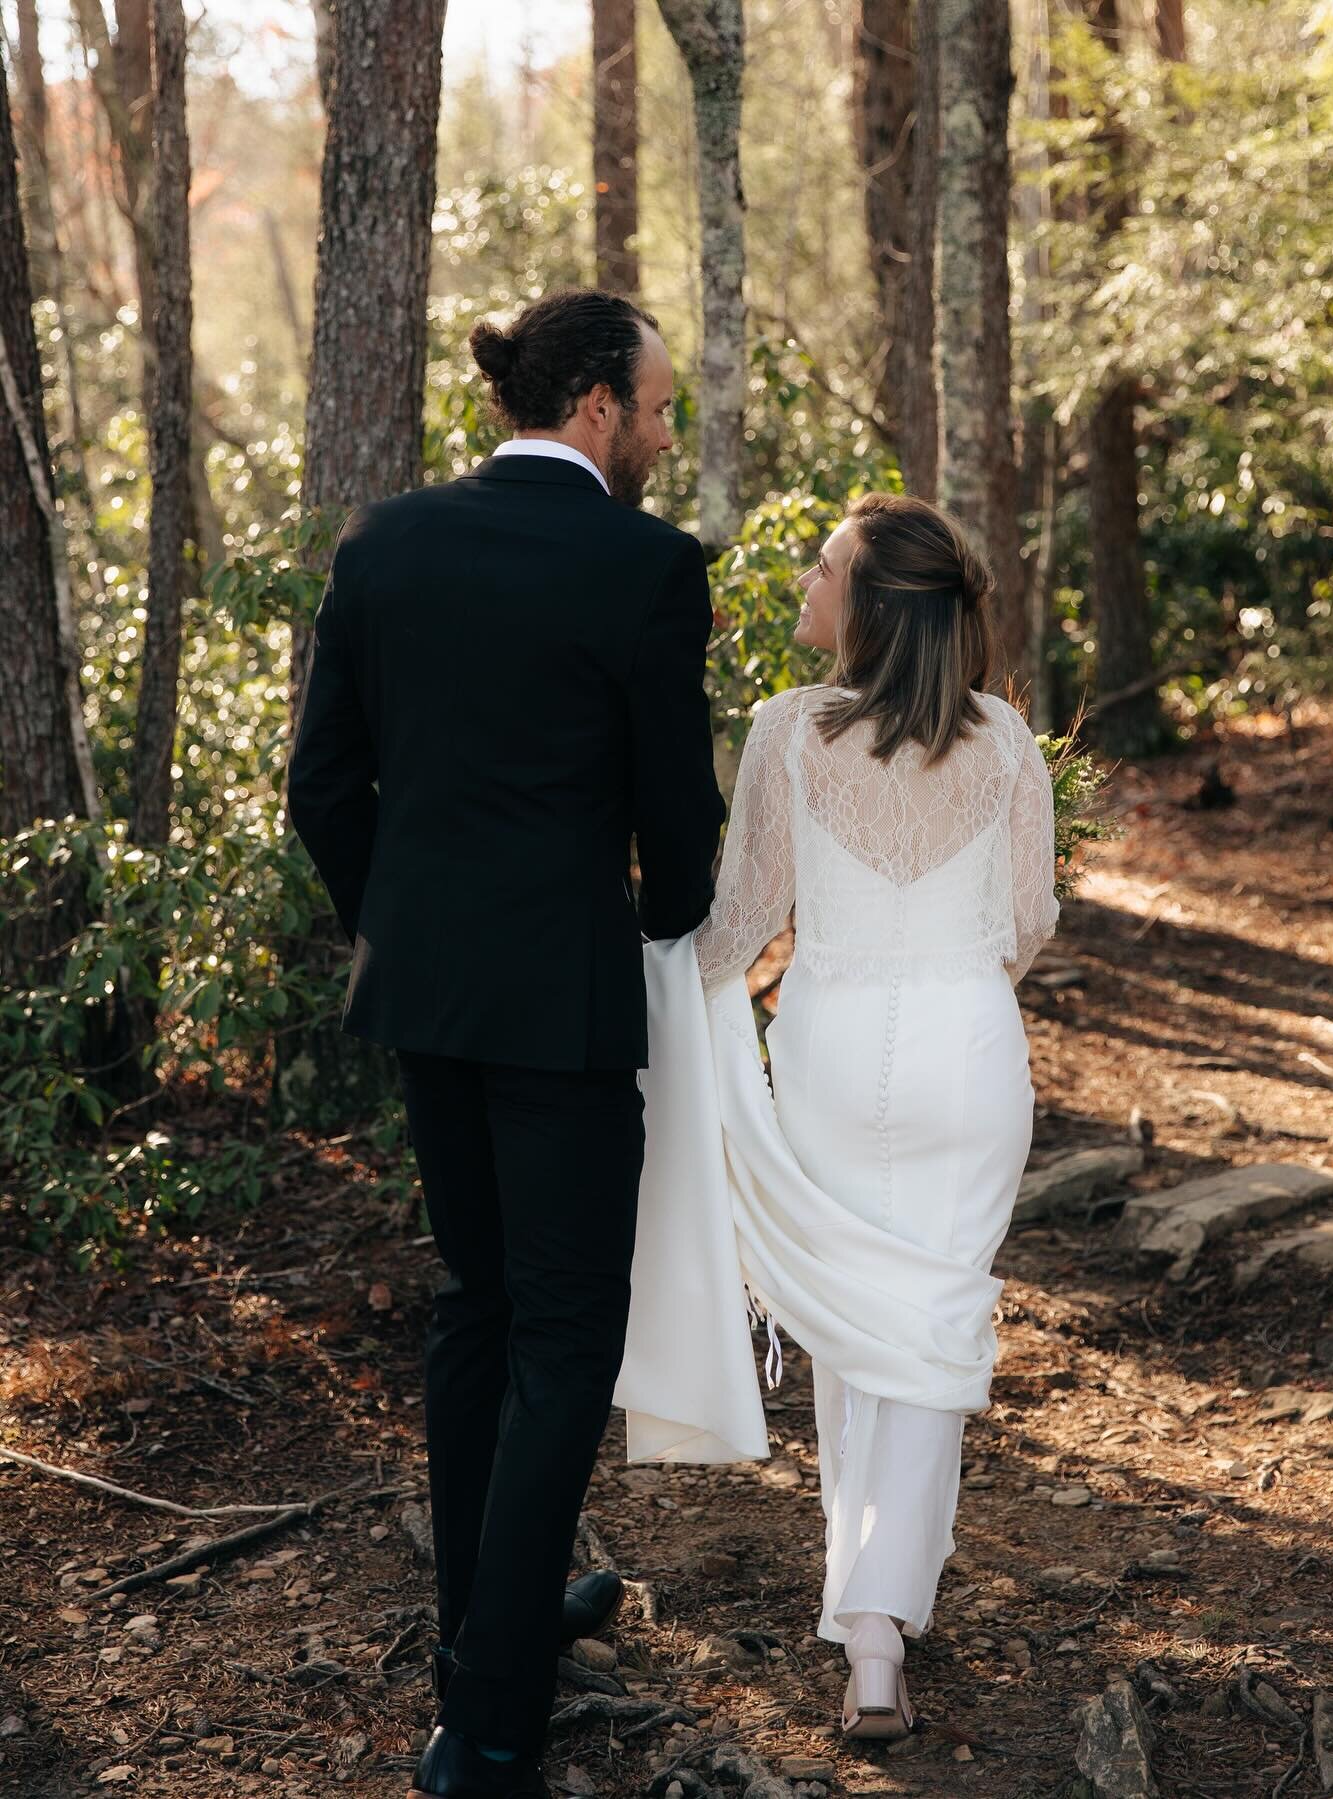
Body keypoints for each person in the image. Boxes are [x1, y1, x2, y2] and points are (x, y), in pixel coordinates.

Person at [287, 289, 725, 1799]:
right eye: (660, 407)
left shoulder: (385, 544)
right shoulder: (647, 567)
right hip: (562, 1012)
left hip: (428, 999)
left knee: (479, 1303)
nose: (666, 434)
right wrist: (666, 918)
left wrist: (401, 923)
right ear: (598, 403)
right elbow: (680, 818)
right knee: (559, 1336)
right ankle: (487, 1721)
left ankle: (489, 1608)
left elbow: (324, 786)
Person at [622, 491, 1058, 1742]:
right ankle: (877, 1625)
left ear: (869, 607)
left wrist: (651, 993)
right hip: (969, 1051)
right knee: (926, 1327)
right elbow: (1028, 920)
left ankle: (866, 1620)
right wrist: (957, 989)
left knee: (859, 1328)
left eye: (823, 568)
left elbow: (743, 915)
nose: (806, 585)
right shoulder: (1008, 741)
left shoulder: (787, 731)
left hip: (824, 1045)